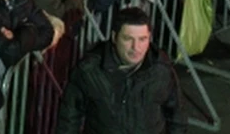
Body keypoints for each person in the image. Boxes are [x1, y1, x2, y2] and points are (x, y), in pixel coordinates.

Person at [56, 7, 187, 134]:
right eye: (128, 39)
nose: (136, 47)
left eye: (142, 39)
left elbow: (177, 116)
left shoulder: (161, 69)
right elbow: (68, 120)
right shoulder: (90, 70)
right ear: (114, 37)